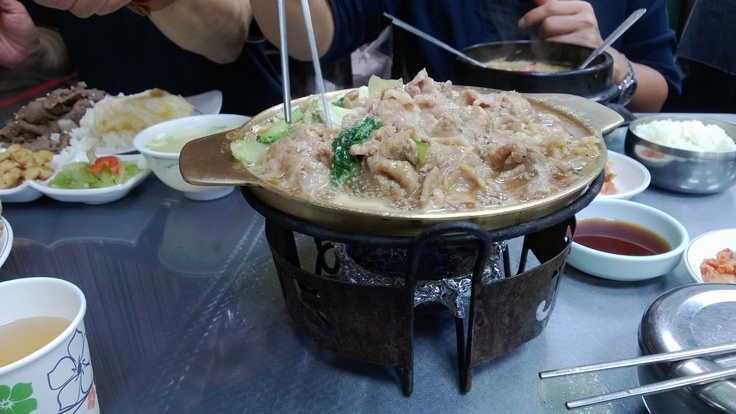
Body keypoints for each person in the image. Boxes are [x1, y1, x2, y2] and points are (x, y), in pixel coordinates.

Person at [251, 0, 681, 112]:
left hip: (599, 187)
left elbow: (661, 87)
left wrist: (612, 63)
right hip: (443, 182)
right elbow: (313, 35)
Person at [0, 0, 283, 116]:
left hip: (236, 128)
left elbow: (227, 38)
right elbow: (64, 39)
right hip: (113, 148)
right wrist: (36, 52)